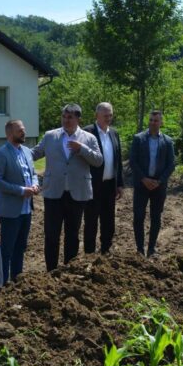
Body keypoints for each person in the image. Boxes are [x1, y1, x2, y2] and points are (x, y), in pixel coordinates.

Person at [32, 104, 103, 271]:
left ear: (78, 119)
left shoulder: (89, 138)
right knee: (51, 235)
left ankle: (68, 271)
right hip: (54, 192)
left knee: (72, 235)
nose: (66, 120)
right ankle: (51, 271)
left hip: (77, 193)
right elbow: (35, 153)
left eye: (70, 117)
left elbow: (98, 161)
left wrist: (82, 149)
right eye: (64, 116)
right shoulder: (50, 136)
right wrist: (14, 151)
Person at [0, 119, 39, 284]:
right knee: (7, 250)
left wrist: (35, 184)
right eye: (20, 130)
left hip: (26, 210)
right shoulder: (2, 153)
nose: (24, 132)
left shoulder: (26, 151)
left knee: (21, 248)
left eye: (24, 129)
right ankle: (2, 284)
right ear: (9, 133)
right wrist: (20, 190)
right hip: (10, 210)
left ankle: (17, 282)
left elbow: (33, 173)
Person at [129, 110, 175, 257]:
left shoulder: (167, 141)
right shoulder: (138, 139)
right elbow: (133, 161)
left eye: (156, 120)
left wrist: (160, 181)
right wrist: (144, 178)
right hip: (142, 184)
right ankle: (140, 249)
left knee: (156, 217)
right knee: (138, 216)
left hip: (159, 186)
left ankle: (152, 249)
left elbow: (171, 164)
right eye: (151, 120)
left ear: (161, 122)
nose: (153, 123)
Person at [83, 102, 124, 255]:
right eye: (105, 115)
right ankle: (89, 253)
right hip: (92, 185)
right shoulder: (87, 132)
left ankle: (106, 250)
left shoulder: (114, 133)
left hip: (109, 186)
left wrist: (119, 183)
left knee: (109, 221)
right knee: (91, 222)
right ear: (97, 116)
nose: (108, 118)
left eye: (110, 115)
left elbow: (117, 160)